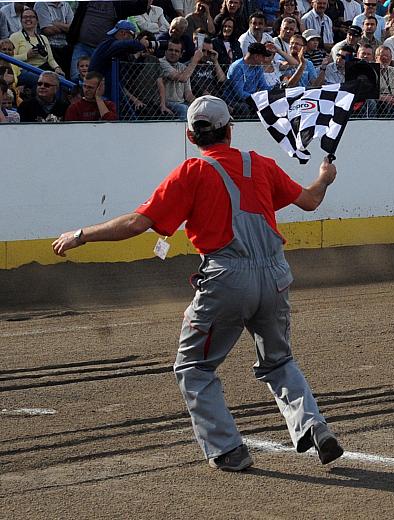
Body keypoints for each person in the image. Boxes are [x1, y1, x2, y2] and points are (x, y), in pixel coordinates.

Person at [52, 95, 344, 472]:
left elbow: (136, 224)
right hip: (274, 275)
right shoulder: (261, 164)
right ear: (230, 130)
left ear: (191, 134)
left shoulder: (191, 171)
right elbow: (310, 201)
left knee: (193, 367)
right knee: (279, 360)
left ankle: (228, 450)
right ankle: (313, 426)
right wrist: (324, 177)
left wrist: (81, 234)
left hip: (226, 278)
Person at [10, 8, 65, 89]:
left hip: (43, 69)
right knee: (47, 81)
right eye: (25, 17)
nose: (28, 19)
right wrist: (27, 55)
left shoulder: (43, 38)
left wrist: (57, 68)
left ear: (37, 20)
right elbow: (10, 59)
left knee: (62, 80)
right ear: (21, 20)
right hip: (24, 70)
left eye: (31, 17)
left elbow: (51, 59)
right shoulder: (15, 36)